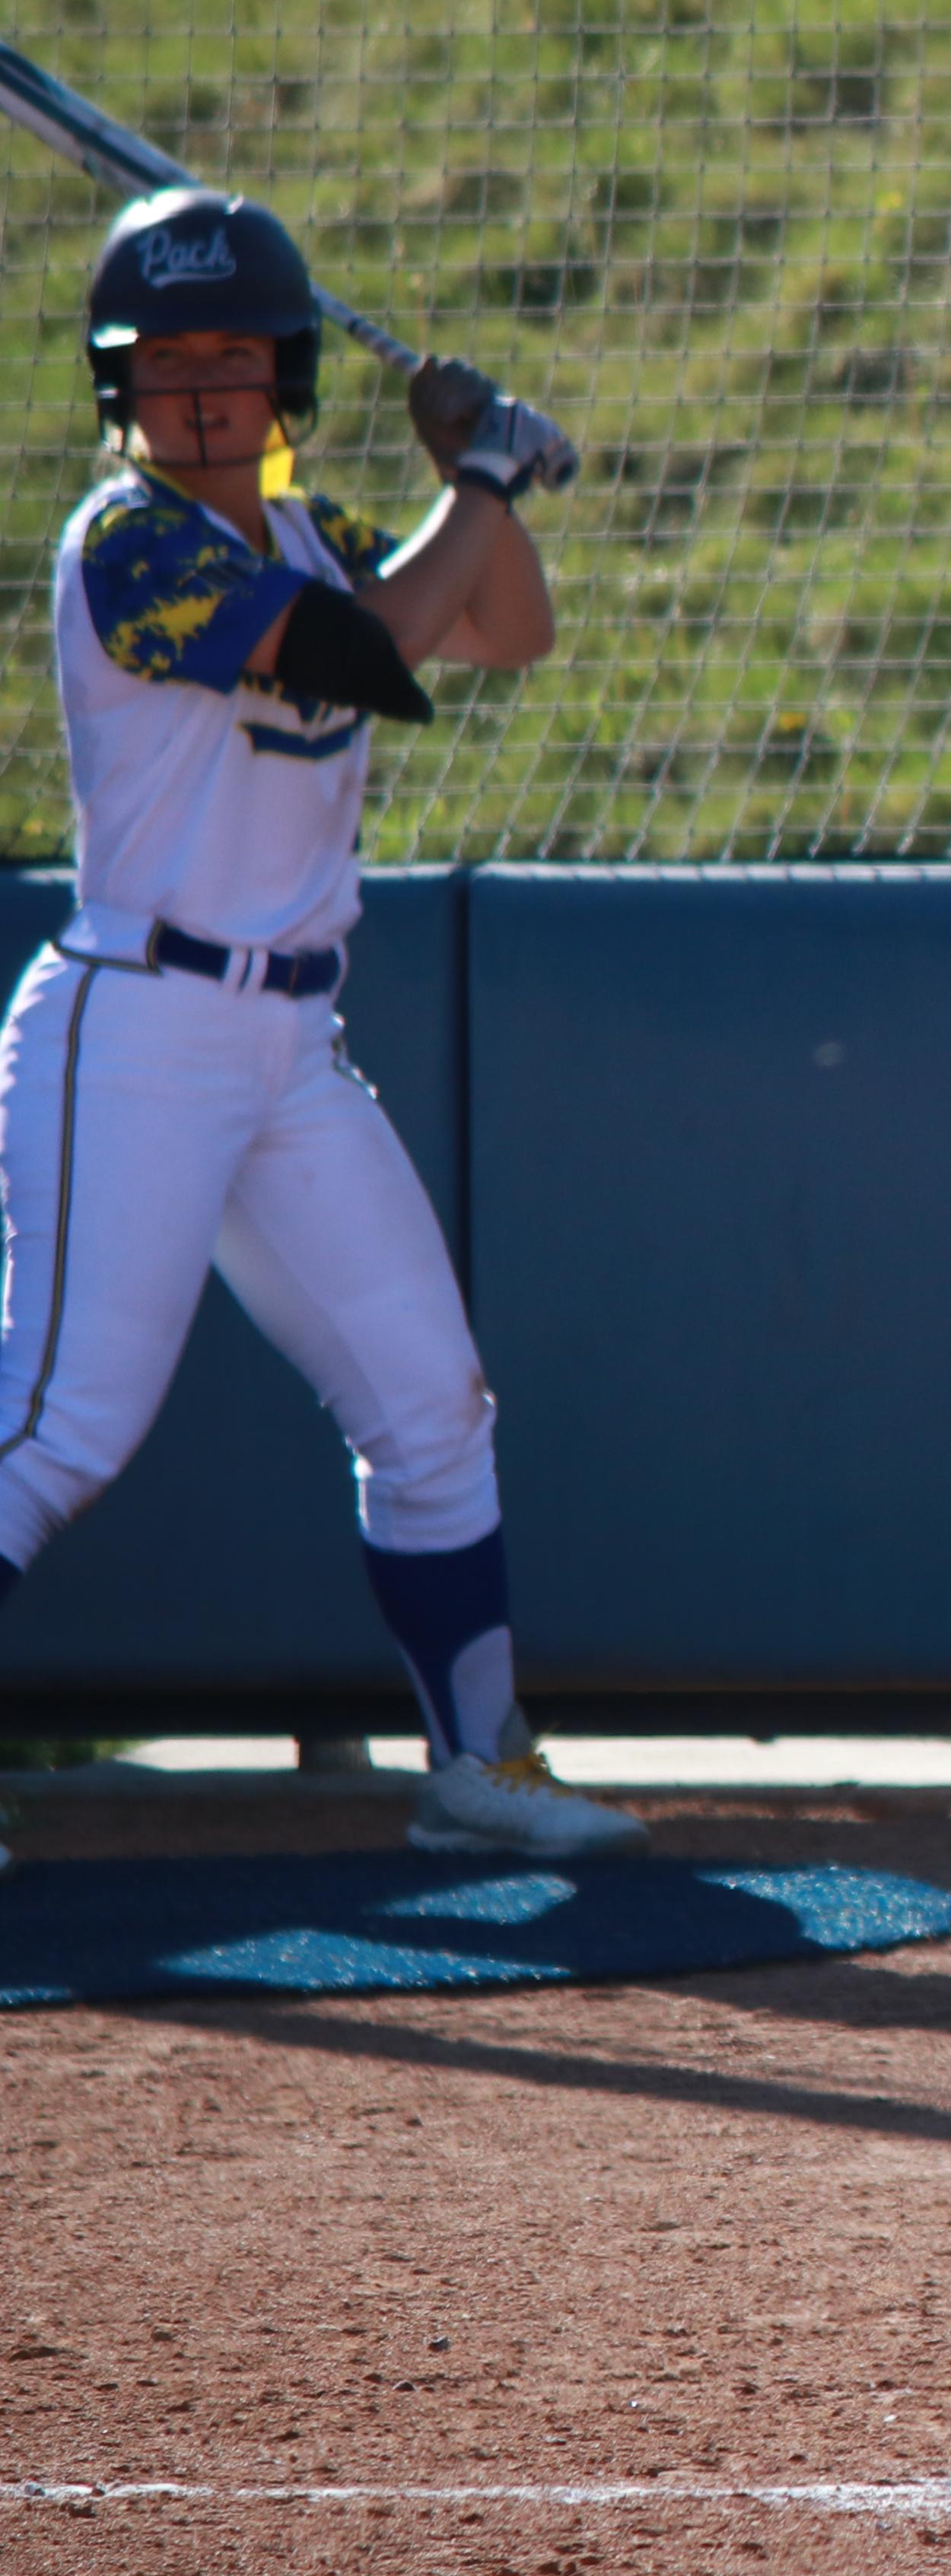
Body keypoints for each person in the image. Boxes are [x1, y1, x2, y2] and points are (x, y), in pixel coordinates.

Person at [5, 185, 640, 1857]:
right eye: (162, 361)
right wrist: (488, 475)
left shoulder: (313, 528)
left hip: (288, 1046)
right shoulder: (125, 543)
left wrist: (468, 486)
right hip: (134, 1027)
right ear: (117, 390)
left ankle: (477, 1766)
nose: (198, 389)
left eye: (231, 353)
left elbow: (508, 626)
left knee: (435, 1402)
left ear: (286, 373)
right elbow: (370, 654)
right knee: (59, 1431)